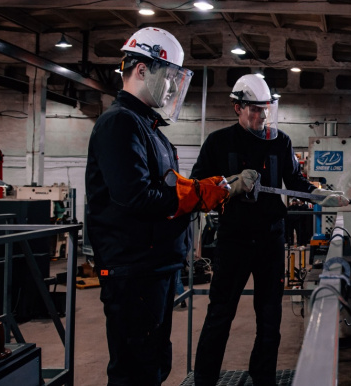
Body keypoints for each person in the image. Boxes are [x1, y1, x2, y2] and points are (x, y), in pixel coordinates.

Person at [85, 27, 251, 385]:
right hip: (133, 269)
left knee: (155, 365)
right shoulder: (120, 124)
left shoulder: (148, 128)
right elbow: (137, 197)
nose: (174, 87)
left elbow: (168, 188)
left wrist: (204, 190)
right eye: (170, 76)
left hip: (154, 265)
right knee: (135, 370)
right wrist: (202, 193)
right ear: (143, 69)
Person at [192, 74, 349, 386]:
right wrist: (229, 186)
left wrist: (321, 194)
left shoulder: (281, 142)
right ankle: (205, 381)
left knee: (269, 316)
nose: (261, 116)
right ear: (236, 107)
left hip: (270, 238)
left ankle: (263, 378)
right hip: (233, 239)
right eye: (254, 110)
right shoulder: (218, 143)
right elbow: (198, 189)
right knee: (220, 315)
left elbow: (296, 183)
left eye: (265, 110)